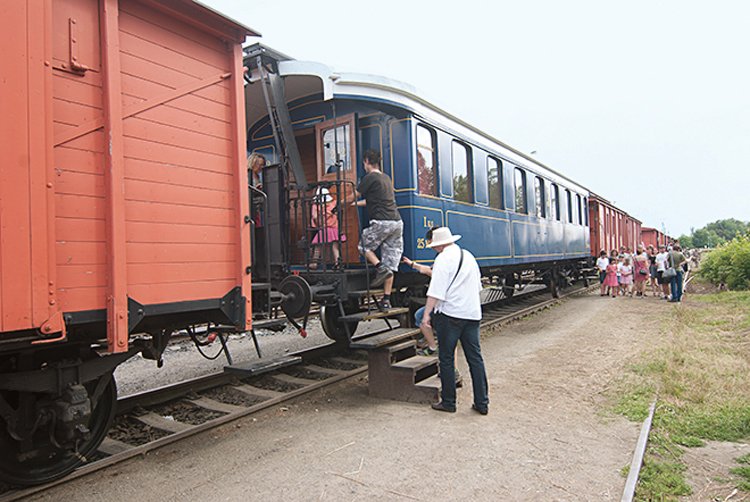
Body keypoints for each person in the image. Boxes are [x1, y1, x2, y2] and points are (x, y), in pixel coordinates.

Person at [420, 227, 488, 415]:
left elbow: (436, 291)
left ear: (440, 244)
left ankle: (449, 402)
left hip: (450, 315)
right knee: (475, 359)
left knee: (447, 358)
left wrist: (426, 315)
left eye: (434, 246)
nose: (434, 249)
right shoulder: (468, 256)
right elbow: (478, 286)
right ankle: (482, 403)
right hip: (472, 314)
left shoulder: (442, 259)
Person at [352, 150, 403, 309]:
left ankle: (379, 267)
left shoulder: (370, 177)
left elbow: (355, 195)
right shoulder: (386, 178)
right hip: (397, 223)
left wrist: (340, 203)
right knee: (391, 263)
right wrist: (356, 205)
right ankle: (386, 300)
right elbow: (371, 201)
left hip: (382, 222)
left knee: (363, 246)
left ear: (366, 161)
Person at [310, 187, 345, 269]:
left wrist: (318, 221)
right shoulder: (334, 203)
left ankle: (314, 262)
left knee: (318, 245)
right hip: (335, 228)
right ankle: (338, 262)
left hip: (324, 229)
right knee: (335, 246)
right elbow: (341, 207)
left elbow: (314, 217)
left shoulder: (316, 206)